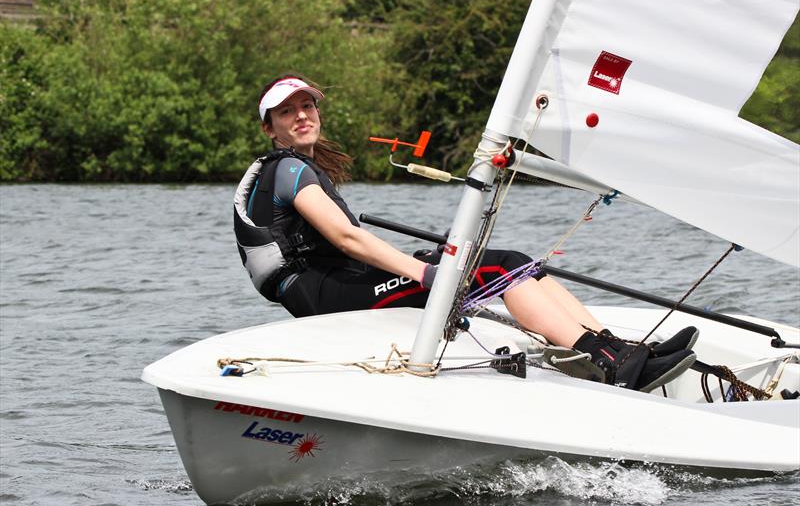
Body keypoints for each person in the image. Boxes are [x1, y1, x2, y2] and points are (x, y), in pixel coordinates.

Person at [234, 74, 698, 392]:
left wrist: (430, 263)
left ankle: (617, 349)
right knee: (495, 268)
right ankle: (609, 365)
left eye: (306, 105)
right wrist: (424, 272)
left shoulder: (301, 167)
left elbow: (347, 248)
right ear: (269, 127)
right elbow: (347, 239)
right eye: (286, 111)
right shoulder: (289, 169)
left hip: (334, 283)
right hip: (320, 295)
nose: (301, 116)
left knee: (515, 262)